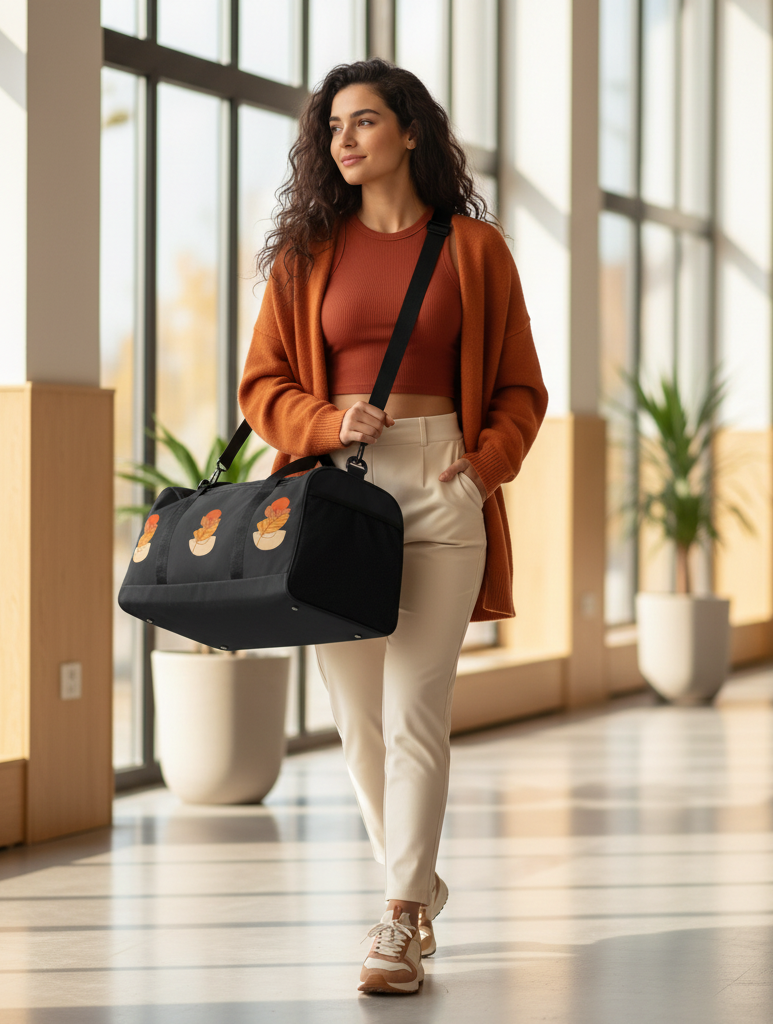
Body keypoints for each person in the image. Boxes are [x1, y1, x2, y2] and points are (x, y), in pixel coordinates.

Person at [239, 59, 547, 995]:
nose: (345, 139)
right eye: (334, 126)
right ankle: (414, 879)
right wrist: (329, 424)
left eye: (365, 121)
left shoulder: (477, 251)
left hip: (444, 481)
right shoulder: (306, 253)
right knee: (357, 722)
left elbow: (523, 388)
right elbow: (261, 387)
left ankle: (401, 918)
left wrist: (483, 466)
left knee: (417, 709)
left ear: (410, 132)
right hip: (339, 493)